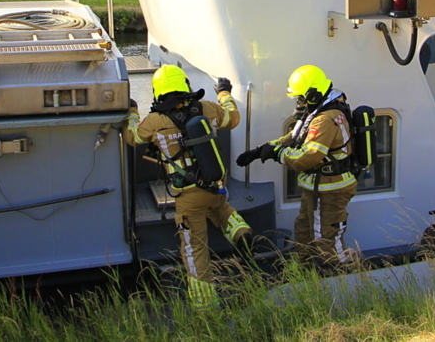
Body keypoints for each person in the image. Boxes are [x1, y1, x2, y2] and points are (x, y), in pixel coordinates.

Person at [123, 65, 251, 308]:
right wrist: (224, 93)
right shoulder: (207, 108)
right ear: (185, 84)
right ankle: (240, 230)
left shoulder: (155, 121)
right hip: (215, 185)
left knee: (194, 248)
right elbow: (232, 119)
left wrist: (132, 111)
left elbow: (132, 137)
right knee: (218, 207)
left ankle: (204, 304)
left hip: (188, 195)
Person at [237, 65, 357, 265]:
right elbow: (294, 138)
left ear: (312, 94)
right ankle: (308, 276)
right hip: (317, 187)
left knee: (326, 238)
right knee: (304, 230)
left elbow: (308, 156)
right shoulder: (319, 112)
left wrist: (277, 154)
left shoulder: (324, 120)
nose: (298, 102)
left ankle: (340, 279)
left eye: (300, 97)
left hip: (330, 189)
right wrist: (262, 150)